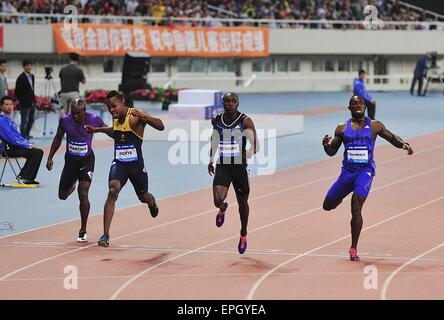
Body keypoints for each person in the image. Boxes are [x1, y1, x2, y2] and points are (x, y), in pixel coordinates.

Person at [322, 95, 413, 261]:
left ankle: (353, 248)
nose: (358, 105)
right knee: (327, 205)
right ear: (349, 108)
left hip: (365, 172)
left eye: (361, 103)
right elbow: (331, 152)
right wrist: (325, 145)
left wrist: (403, 144)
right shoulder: (342, 128)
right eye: (354, 103)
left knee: (356, 205)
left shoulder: (374, 125)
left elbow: (391, 137)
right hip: (347, 173)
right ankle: (342, 193)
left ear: (364, 106)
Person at [85, 90, 164, 247]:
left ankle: (152, 203)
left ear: (122, 101)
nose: (112, 110)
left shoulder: (135, 115)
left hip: (136, 166)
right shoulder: (115, 118)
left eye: (114, 106)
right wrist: (97, 130)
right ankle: (105, 235)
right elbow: (115, 132)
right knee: (112, 191)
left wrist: (145, 117)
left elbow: (161, 126)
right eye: (109, 108)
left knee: (143, 197)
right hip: (119, 164)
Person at [46, 99, 108, 242]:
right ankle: (71, 186)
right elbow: (58, 138)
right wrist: (50, 157)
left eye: (78, 113)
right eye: (73, 113)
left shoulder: (94, 119)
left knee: (84, 192)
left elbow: (107, 130)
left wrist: (121, 135)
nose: (75, 116)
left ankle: (83, 230)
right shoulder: (65, 121)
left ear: (84, 111)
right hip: (71, 161)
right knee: (62, 196)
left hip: (87, 160)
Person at [208, 92, 259, 255]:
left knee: (242, 203)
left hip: (239, 167)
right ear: (223, 104)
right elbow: (214, 139)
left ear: (237, 103)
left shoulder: (245, 121)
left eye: (232, 101)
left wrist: (249, 153)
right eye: (226, 102)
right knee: (217, 200)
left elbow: (255, 145)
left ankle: (243, 233)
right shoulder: (216, 120)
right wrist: (211, 158)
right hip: (223, 164)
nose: (229, 104)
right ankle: (222, 208)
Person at [0, 96, 43, 184]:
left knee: (37, 152)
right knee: (36, 153)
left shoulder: (9, 119)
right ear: (1, 106)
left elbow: (17, 135)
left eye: (11, 104)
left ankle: (27, 177)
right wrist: (26, 145)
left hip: (13, 146)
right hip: (6, 149)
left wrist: (28, 143)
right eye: (6, 104)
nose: (9, 106)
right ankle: (23, 177)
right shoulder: (1, 120)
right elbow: (11, 138)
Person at [14, 60, 35, 139]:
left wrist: (33, 100)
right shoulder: (21, 77)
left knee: (32, 119)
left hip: (32, 102)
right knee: (24, 121)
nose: (29, 67)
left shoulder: (32, 76)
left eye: (30, 65)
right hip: (24, 104)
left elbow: (32, 89)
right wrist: (21, 100)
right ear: (24, 67)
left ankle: (27, 134)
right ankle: (23, 137)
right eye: (27, 65)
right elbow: (17, 91)